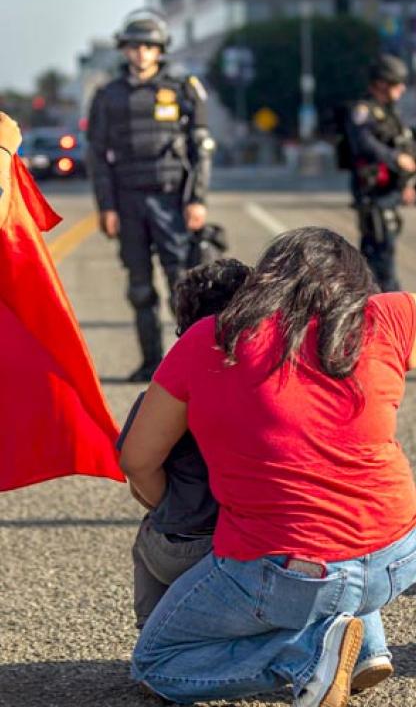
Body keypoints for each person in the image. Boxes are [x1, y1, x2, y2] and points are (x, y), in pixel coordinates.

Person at [119, 220, 416, 707]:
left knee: (158, 664)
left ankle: (306, 657)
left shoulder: (212, 338)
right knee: (340, 548)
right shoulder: (383, 320)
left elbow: (138, 461)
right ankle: (364, 644)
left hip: (290, 572)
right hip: (398, 553)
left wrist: (191, 514)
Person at [117, 259, 251, 629]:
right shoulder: (271, 379)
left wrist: (172, 505)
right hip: (256, 538)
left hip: (186, 541)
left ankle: (154, 631)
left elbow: (136, 464)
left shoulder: (169, 390)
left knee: (149, 539)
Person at [86, 8, 216, 383]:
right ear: (124, 50)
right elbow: (97, 155)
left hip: (173, 200)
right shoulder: (108, 96)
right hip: (127, 202)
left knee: (183, 284)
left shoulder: (182, 90)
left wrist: (198, 199)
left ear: (160, 50)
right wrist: (106, 207)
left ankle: (191, 368)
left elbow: (201, 149)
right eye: (134, 46)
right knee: (140, 288)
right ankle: (151, 364)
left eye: (149, 46)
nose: (142, 53)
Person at [343, 53, 416, 291]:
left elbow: (403, 144)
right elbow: (364, 143)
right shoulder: (363, 111)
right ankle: (390, 311)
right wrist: (396, 159)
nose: (401, 89)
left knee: (379, 255)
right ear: (381, 83)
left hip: (389, 194)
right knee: (380, 259)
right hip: (372, 194)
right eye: (397, 84)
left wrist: (408, 184)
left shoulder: (391, 114)